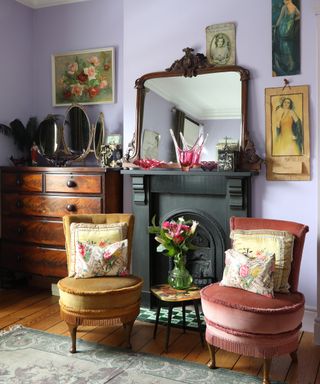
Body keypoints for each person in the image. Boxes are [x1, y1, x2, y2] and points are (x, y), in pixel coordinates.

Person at [273, 0, 300, 76]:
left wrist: (276, 26)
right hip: (290, 28)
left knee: (283, 45)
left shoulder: (284, 7)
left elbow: (280, 18)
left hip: (283, 28)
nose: (283, 1)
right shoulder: (294, 7)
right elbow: (299, 15)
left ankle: (288, 65)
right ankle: (291, 65)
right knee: (289, 45)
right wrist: (292, 19)